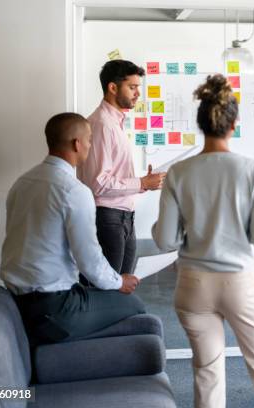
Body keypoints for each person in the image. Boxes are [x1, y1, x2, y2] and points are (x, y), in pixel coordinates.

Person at [152, 74, 254, 408]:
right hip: (240, 281)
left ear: (201, 124)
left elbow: (166, 240)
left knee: (207, 372)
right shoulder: (253, 170)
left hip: (193, 284)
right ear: (234, 124)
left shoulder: (178, 173)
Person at [0, 113, 144, 346]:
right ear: (77, 144)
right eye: (88, 139)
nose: (90, 145)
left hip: (20, 300)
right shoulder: (73, 190)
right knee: (133, 303)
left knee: (105, 294)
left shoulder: (23, 182)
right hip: (54, 309)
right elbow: (90, 261)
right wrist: (120, 282)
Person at [78, 59, 164, 280]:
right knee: (107, 287)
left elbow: (111, 176)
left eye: (138, 88)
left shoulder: (114, 123)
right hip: (108, 218)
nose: (137, 94)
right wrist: (142, 183)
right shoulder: (102, 125)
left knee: (120, 285)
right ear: (113, 87)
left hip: (122, 216)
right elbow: (99, 183)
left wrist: (143, 183)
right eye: (132, 87)